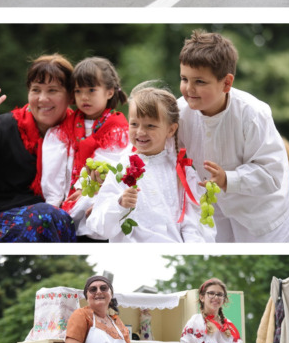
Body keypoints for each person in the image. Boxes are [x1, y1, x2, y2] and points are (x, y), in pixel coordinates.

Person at [177, 30, 289, 242]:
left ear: (226, 83)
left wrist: (228, 179)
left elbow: (272, 173)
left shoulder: (253, 114)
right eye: (184, 79)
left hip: (261, 215)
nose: (189, 89)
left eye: (200, 82)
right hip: (215, 210)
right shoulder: (179, 113)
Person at [0, 55, 79, 242]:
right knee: (47, 215)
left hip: (63, 223)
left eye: (52, 90)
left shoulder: (82, 134)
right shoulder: (2, 127)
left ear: (71, 95)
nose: (42, 98)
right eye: (36, 90)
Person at [85, 84, 213, 243]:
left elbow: (193, 223)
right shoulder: (122, 168)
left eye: (150, 125)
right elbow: (100, 227)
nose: (140, 132)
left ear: (171, 130)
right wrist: (120, 203)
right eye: (134, 124)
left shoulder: (182, 172)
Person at [45, 57, 129, 228]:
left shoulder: (117, 128)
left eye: (91, 90)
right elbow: (53, 170)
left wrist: (85, 189)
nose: (84, 97)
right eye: (78, 91)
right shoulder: (63, 129)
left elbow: (110, 166)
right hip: (63, 202)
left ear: (110, 92)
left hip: (98, 197)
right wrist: (53, 203)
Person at [181, 278, 242, 343]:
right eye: (211, 293)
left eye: (220, 294)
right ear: (202, 297)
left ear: (224, 299)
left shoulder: (229, 326)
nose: (216, 297)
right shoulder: (195, 323)